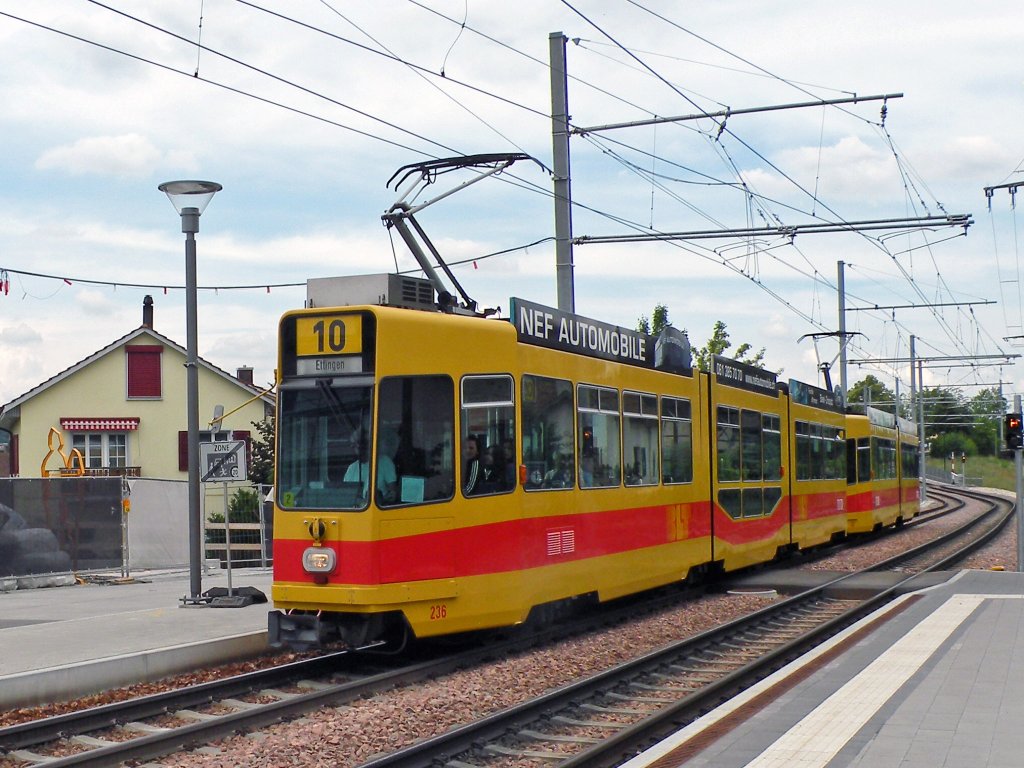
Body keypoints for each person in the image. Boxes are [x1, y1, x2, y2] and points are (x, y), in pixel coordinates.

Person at [344, 428, 398, 504]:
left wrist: (383, 499)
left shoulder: (385, 462)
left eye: (361, 443)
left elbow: (392, 493)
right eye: (354, 445)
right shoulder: (351, 468)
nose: (358, 447)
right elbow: (346, 496)